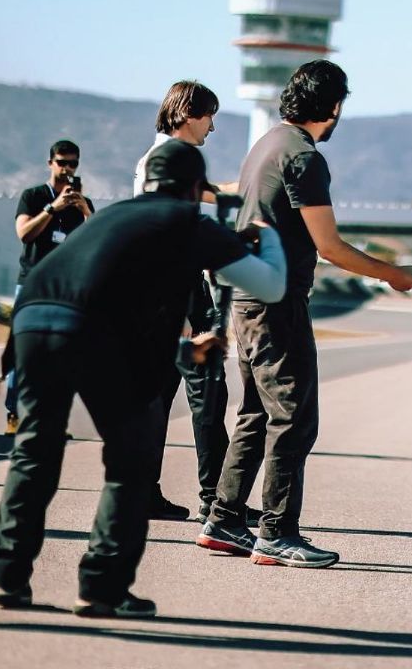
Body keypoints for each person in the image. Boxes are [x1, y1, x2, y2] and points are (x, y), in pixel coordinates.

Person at [0, 140, 287, 618]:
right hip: (87, 326)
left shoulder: (111, 215)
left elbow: (111, 299)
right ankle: (102, 587)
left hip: (32, 319)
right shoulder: (189, 221)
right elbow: (270, 284)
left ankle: (8, 576)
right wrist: (266, 234)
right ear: (195, 187)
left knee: (35, 449)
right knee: (129, 460)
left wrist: (179, 347)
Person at [197, 59, 412, 568]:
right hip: (277, 304)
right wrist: (392, 272)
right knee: (294, 418)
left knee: (257, 413)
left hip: (248, 298)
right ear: (335, 106)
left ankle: (224, 520)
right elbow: (331, 247)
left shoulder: (267, 143)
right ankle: (276, 533)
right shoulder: (303, 156)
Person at [132, 80, 257, 525]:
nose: (213, 126)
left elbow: (213, 192)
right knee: (208, 393)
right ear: (189, 114)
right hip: (176, 288)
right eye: (209, 116)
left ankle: (146, 492)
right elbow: (160, 235)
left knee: (161, 397)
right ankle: (217, 499)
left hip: (166, 289)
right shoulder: (166, 162)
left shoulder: (162, 158)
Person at [4, 140, 94, 434]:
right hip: (30, 287)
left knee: (59, 359)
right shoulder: (33, 196)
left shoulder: (81, 203)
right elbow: (24, 233)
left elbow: (98, 241)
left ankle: (50, 419)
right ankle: (13, 414)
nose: (67, 169)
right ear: (50, 163)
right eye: (62, 162)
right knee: (22, 355)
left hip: (64, 292)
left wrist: (84, 211)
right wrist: (51, 209)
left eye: (73, 164)